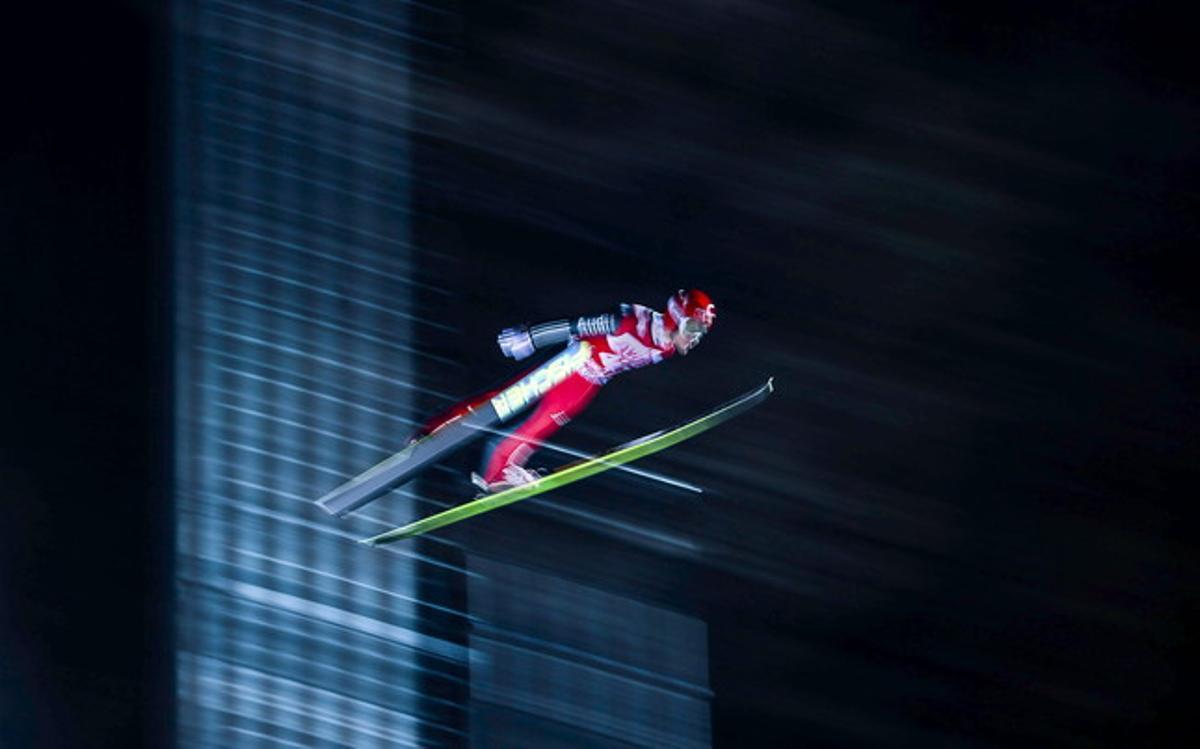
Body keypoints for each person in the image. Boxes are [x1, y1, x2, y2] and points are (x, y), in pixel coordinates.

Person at [416, 289, 717, 493]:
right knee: (505, 402)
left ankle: (498, 470)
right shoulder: (631, 321)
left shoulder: (666, 347)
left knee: (545, 422)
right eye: (692, 328)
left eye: (702, 333)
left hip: (591, 379)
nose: (695, 338)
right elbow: (579, 325)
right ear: (675, 316)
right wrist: (532, 337)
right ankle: (435, 431)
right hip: (573, 363)